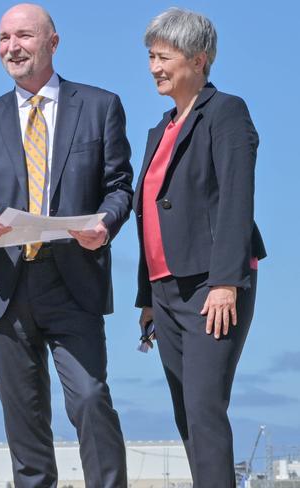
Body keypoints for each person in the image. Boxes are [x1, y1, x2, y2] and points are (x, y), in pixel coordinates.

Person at [0, 4, 133, 487]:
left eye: (24, 37)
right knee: (25, 426)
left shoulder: (100, 106)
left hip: (73, 279)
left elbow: (119, 186)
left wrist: (106, 222)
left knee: (91, 399)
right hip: (4, 288)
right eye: (3, 38)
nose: (12, 47)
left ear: (52, 43)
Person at [135, 8, 266, 487]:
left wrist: (227, 281)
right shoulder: (161, 128)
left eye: (164, 57)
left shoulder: (226, 112)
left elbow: (237, 198)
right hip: (166, 291)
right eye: (151, 56)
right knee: (187, 414)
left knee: (206, 408)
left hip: (211, 288)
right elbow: (148, 214)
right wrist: (147, 297)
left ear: (199, 59)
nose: (154, 67)